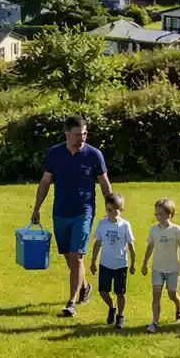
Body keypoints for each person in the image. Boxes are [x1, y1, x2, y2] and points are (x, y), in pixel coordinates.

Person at [31, 115, 115, 317]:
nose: (82, 138)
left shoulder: (94, 155)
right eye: (78, 135)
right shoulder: (55, 154)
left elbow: (104, 182)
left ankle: (71, 302)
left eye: (85, 133)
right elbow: (45, 182)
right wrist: (36, 208)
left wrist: (112, 207)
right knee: (68, 256)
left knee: (77, 256)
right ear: (67, 134)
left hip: (84, 211)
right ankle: (84, 286)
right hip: (60, 211)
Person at [141, 197, 180, 334]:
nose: (157, 217)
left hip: (172, 269)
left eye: (160, 214)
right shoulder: (153, 230)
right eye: (156, 214)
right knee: (156, 294)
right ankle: (154, 322)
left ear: (169, 214)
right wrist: (144, 264)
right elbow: (150, 247)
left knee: (172, 293)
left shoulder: (176, 231)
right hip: (157, 268)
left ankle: (179, 308)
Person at [89, 192, 136, 329]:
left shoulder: (125, 225)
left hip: (121, 264)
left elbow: (131, 245)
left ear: (120, 210)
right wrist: (93, 261)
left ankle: (120, 316)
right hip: (105, 264)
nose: (110, 213)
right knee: (103, 291)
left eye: (113, 210)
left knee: (120, 293)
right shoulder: (102, 224)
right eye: (108, 210)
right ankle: (111, 307)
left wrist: (133, 263)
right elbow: (97, 243)